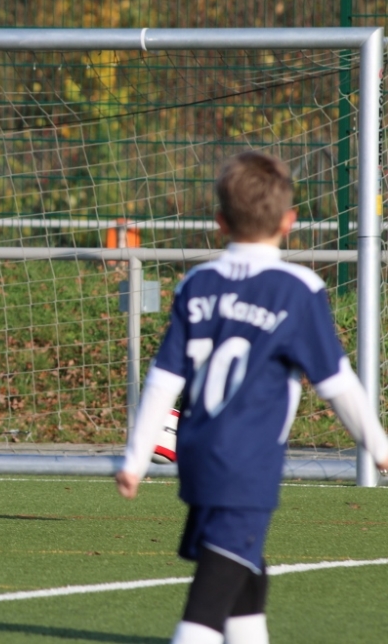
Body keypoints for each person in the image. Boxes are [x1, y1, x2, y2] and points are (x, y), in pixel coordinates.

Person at [116, 151, 388, 644]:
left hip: (197, 457)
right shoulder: (299, 289)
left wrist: (136, 457)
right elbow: (338, 384)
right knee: (207, 604)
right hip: (248, 464)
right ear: (291, 222)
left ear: (219, 222)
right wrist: (380, 446)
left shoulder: (196, 284)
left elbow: (162, 380)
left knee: (246, 573)